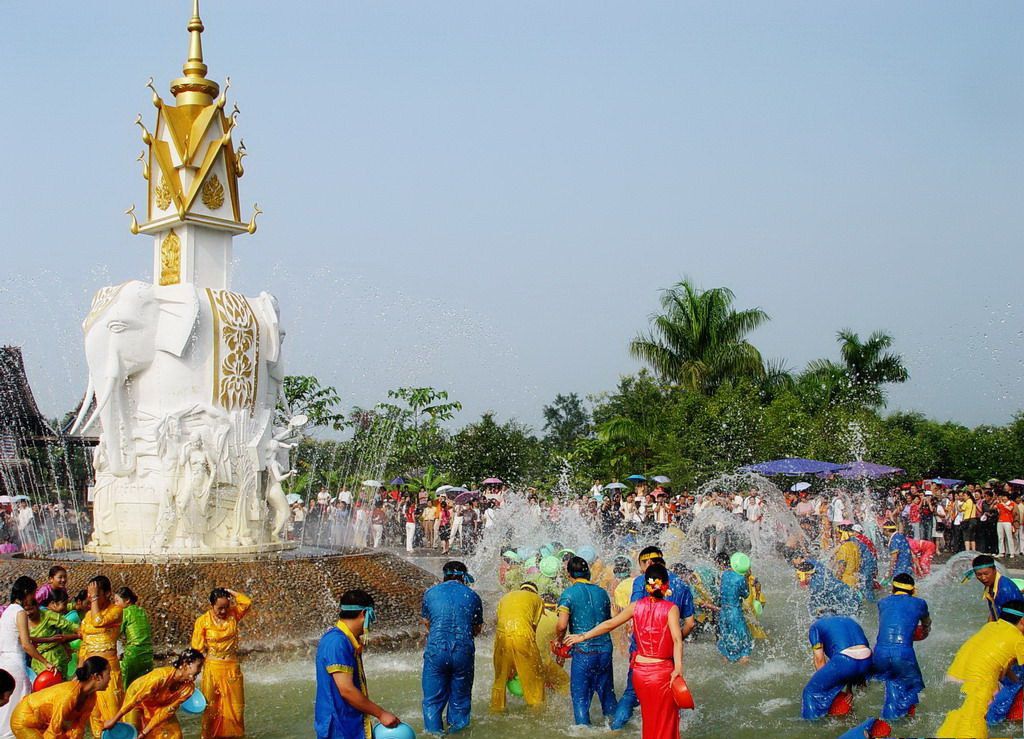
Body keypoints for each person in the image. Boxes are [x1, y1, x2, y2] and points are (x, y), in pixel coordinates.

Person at [565, 563, 684, 739]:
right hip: (661, 672)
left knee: (650, 720)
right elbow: (677, 639)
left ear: (646, 585)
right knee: (666, 720)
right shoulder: (671, 608)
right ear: (666, 584)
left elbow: (609, 624)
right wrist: (678, 668)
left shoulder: (636, 606)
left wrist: (582, 636)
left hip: (640, 674)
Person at [611, 546, 694, 730]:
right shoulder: (681, 584)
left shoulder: (642, 581)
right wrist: (674, 640)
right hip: (667, 656)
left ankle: (615, 729)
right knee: (668, 701)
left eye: (641, 564)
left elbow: (633, 613)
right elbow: (690, 623)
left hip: (641, 654)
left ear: (648, 563)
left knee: (631, 694)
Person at [314, 590, 400, 739]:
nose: (371, 623)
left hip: (345, 723)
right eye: (371, 617)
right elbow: (346, 690)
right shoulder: (337, 642)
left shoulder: (342, 639)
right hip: (339, 728)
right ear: (364, 614)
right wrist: (381, 714)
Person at [937, 598, 1024, 738]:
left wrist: (1015, 681)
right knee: (971, 730)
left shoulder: (990, 627)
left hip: (953, 679)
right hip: (976, 687)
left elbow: (997, 662)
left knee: (950, 728)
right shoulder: (1018, 639)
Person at [420, 561, 483, 734]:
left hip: (436, 650)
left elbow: (427, 622)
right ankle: (458, 733)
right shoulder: (472, 595)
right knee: (460, 701)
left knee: (432, 701)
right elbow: (477, 628)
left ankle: (434, 734)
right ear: (464, 576)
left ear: (444, 575)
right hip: (463, 651)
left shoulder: (430, 593)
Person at [553, 557, 617, 726]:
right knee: (607, 696)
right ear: (588, 572)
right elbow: (607, 621)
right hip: (605, 650)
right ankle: (616, 728)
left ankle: (583, 731)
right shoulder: (602, 592)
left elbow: (561, 625)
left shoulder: (569, 594)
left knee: (580, 700)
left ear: (569, 575)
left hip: (584, 652)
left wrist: (559, 642)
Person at [103, 649, 204, 739]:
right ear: (185, 665)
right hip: (136, 700)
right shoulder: (160, 677)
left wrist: (145, 732)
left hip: (158, 704)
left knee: (175, 735)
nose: (200, 670)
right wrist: (114, 720)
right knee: (133, 733)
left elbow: (165, 712)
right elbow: (136, 699)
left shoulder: (188, 689)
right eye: (198, 666)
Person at [191, 588, 251, 738]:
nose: (224, 611)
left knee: (236, 708)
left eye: (226, 606)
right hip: (213, 667)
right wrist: (192, 673)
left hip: (231, 667)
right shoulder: (203, 621)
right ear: (212, 605)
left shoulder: (233, 614)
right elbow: (196, 649)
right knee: (211, 707)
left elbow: (247, 602)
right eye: (220, 608)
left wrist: (231, 592)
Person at [0, 577, 55, 737]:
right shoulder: (20, 612)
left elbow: (18, 638)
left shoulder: (8, 611)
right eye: (33, 593)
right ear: (26, 593)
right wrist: (45, 662)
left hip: (4, 662)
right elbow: (25, 644)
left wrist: (47, 640)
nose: (34, 597)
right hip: (15, 664)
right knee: (20, 703)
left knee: (5, 705)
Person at [871, 574, 930, 720]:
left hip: (879, 654)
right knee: (911, 690)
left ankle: (887, 721)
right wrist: (924, 631)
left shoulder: (882, 602)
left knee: (892, 684)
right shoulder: (920, 603)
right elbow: (926, 624)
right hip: (903, 653)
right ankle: (906, 723)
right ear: (913, 590)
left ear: (893, 588)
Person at [10, 656, 110, 739]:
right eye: (108, 674)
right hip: (24, 719)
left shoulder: (91, 697)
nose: (110, 678)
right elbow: (54, 729)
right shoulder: (69, 694)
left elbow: (79, 727)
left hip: (44, 722)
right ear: (97, 676)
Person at [801, 614, 872, 720]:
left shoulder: (815, 627)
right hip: (867, 660)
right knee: (846, 696)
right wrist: (849, 689)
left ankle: (812, 725)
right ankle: (850, 718)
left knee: (811, 693)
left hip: (845, 661)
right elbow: (857, 655)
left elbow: (819, 660)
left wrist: (826, 688)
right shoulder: (850, 621)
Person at [77, 575, 123, 739]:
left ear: (108, 593)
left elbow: (98, 621)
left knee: (112, 713)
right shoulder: (88, 615)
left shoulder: (116, 610)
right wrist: (79, 670)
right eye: (89, 594)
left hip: (107, 672)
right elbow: (84, 645)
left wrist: (95, 599)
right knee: (93, 713)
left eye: (96, 593)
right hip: (90, 671)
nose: (91, 598)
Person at [490, 582, 546, 712]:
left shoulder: (505, 597)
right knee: (536, 678)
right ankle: (537, 712)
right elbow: (533, 628)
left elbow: (498, 620)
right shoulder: (537, 599)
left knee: (500, 679)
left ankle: (496, 711)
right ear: (534, 592)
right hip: (523, 635)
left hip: (501, 637)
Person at [26, 590, 78, 677]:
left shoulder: (47, 615)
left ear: (37, 607)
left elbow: (68, 625)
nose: (28, 613)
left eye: (31, 609)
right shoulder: (22, 623)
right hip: (39, 662)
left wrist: (81, 631)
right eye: (25, 610)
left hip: (57, 657)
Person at [114, 588, 153, 688]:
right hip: (148, 654)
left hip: (133, 654)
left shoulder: (125, 612)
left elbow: (115, 634)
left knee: (125, 685)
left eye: (117, 601)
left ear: (127, 600)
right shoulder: (142, 611)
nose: (115, 604)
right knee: (144, 687)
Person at [718, 552, 753, 663]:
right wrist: (747, 578)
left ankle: (726, 662)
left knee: (726, 638)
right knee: (744, 640)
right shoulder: (740, 578)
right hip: (735, 611)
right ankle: (743, 664)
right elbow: (746, 594)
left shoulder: (725, 574)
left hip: (723, 611)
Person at [534, 591, 569, 695]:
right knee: (564, 682)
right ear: (556, 607)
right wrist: (554, 676)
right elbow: (560, 656)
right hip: (542, 663)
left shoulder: (531, 617)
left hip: (522, 659)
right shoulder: (559, 621)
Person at [970, 554, 1023, 621]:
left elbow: (1014, 622)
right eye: (979, 575)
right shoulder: (990, 585)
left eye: (986, 574)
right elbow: (993, 613)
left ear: (994, 570)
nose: (983, 578)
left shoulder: (1005, 591)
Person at [833, 525, 862, 589]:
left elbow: (842, 567)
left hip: (846, 582)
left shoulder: (844, 548)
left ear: (843, 534)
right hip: (855, 580)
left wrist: (835, 581)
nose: (835, 536)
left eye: (837, 534)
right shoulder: (854, 545)